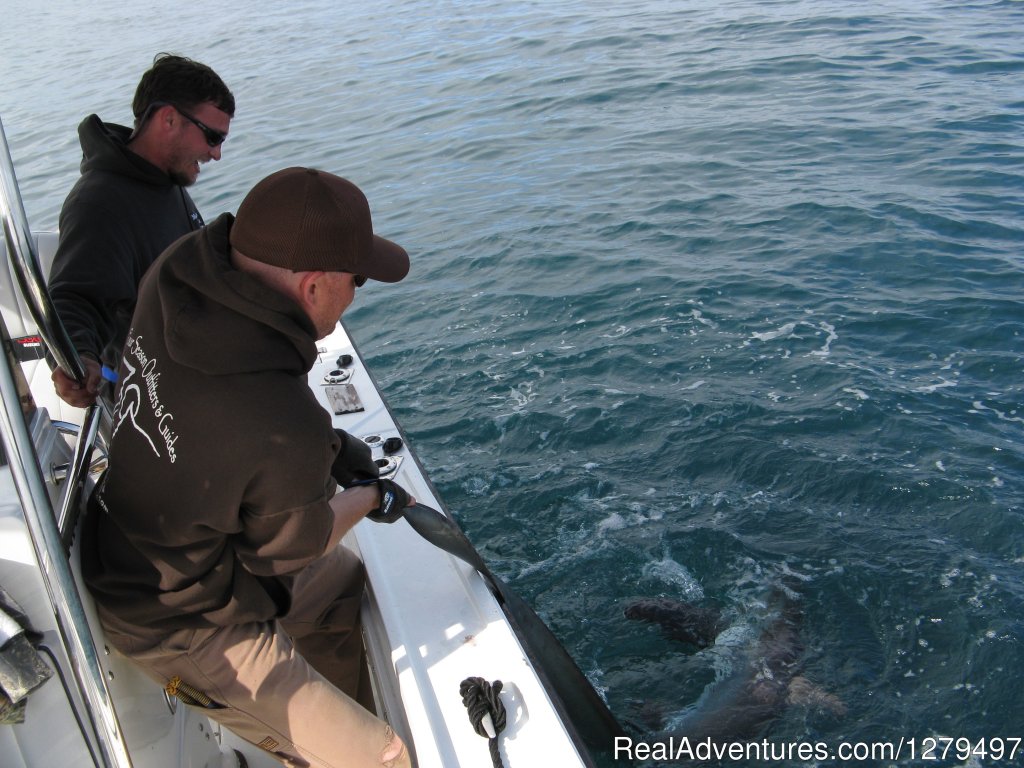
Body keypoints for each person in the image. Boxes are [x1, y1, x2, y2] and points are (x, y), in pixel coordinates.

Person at [80, 167, 414, 768]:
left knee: (341, 590)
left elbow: (228, 434)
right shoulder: (281, 422)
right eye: (356, 278)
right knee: (384, 757)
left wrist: (332, 452)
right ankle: (322, 746)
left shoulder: (175, 272)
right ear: (313, 287)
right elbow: (289, 552)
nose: (358, 292)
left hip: (140, 533)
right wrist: (371, 497)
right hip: (175, 617)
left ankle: (314, 732)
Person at [48, 53, 235, 408]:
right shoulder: (100, 204)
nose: (217, 153)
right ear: (168, 119)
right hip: (161, 399)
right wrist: (80, 359)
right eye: (212, 137)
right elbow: (74, 299)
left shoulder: (163, 178)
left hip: (205, 358)